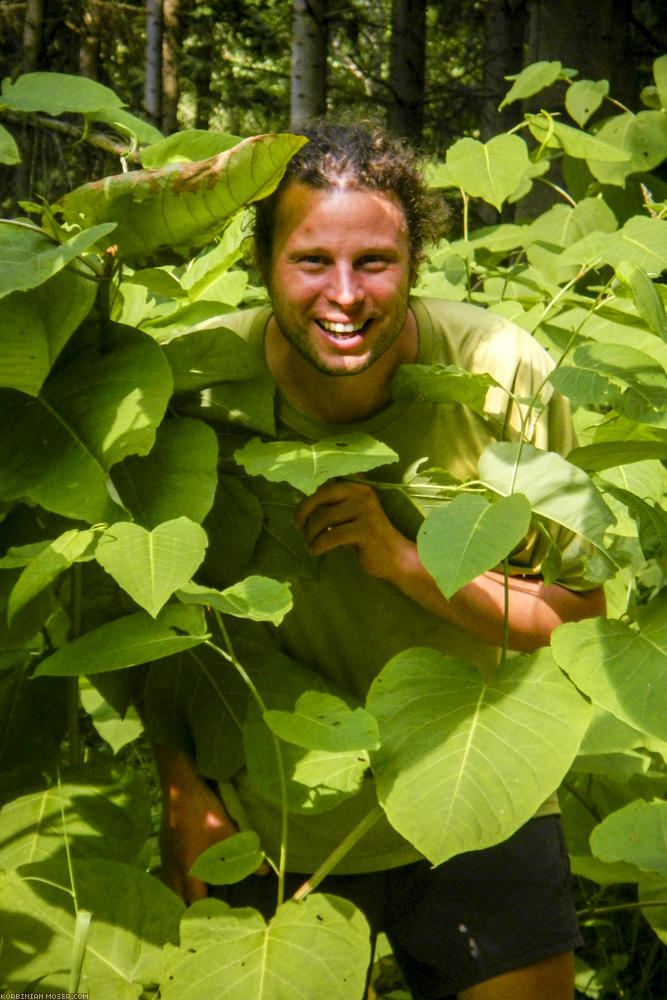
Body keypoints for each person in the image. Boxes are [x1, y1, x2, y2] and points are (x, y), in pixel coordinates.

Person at [147, 122, 606, 999]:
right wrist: (181, 789)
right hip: (278, 813)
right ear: (264, 261)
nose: (345, 294)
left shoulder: (498, 372)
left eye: (377, 262)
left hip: (478, 787)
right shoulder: (200, 385)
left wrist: (403, 559)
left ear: (416, 263)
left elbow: (582, 620)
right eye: (312, 260)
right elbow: (161, 615)